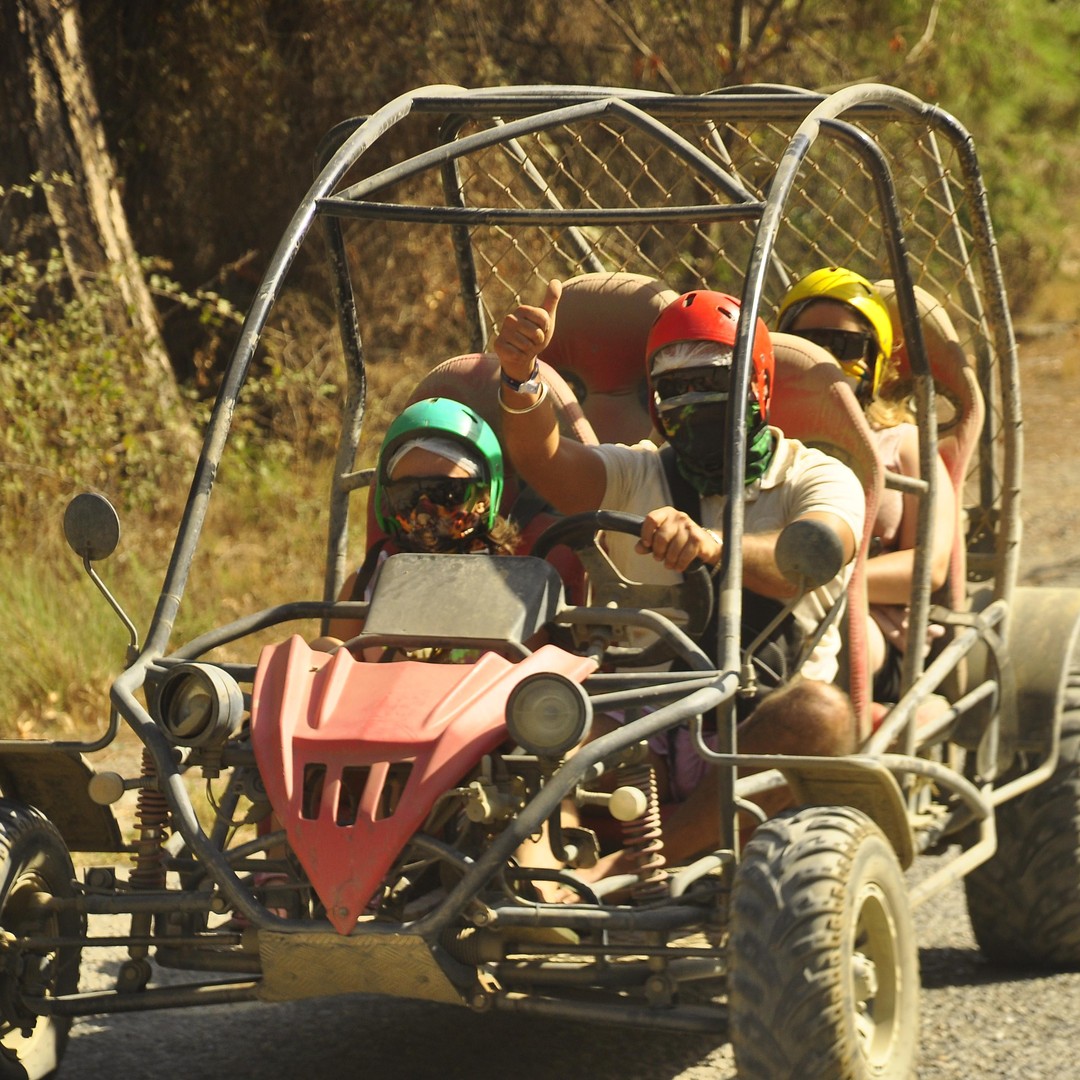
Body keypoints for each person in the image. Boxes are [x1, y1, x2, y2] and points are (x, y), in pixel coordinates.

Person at [494, 281, 866, 870]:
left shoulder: (817, 476)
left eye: (711, 385)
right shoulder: (636, 471)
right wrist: (521, 378)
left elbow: (817, 552)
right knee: (536, 714)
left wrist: (716, 548)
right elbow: (545, 460)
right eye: (673, 389)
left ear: (756, 386)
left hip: (757, 716)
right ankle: (544, 877)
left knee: (820, 716)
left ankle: (629, 871)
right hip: (639, 716)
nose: (690, 403)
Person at [776, 266, 955, 701]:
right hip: (775, 609)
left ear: (877, 360)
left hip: (868, 623)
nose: (824, 358)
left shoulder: (901, 443)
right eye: (808, 344)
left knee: (832, 640)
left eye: (844, 346)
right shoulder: (768, 442)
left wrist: (834, 582)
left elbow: (929, 566)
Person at [313, 396, 520, 654]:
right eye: (407, 494)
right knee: (322, 650)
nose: (424, 510)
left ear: (484, 495)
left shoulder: (514, 584)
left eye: (446, 492)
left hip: (482, 692)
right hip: (385, 693)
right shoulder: (367, 585)